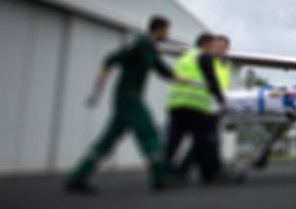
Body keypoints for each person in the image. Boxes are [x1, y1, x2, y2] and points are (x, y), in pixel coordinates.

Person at [65, 15, 200, 194]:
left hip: (130, 99)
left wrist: (193, 83)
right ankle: (160, 178)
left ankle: (77, 178)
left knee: (107, 140)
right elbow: (110, 59)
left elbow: (165, 72)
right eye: (167, 30)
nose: (168, 34)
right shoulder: (139, 44)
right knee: (150, 133)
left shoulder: (151, 48)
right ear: (159, 30)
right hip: (128, 98)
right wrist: (97, 91)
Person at [164, 32, 229, 184]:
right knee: (204, 141)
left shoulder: (184, 58)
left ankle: (162, 172)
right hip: (195, 104)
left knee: (173, 141)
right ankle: (209, 175)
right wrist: (221, 100)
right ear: (206, 44)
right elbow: (211, 80)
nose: (214, 49)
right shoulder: (204, 56)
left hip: (176, 103)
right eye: (213, 46)